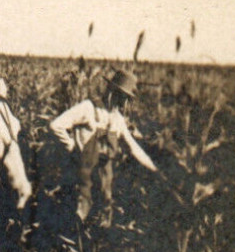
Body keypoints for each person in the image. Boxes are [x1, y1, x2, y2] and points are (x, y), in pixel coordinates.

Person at [46, 68, 158, 228]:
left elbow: (133, 147)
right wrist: (73, 148)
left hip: (104, 178)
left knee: (100, 220)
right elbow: (55, 125)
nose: (124, 103)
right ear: (113, 91)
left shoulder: (117, 119)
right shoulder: (88, 108)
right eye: (123, 97)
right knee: (75, 220)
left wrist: (154, 168)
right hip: (81, 176)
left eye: (127, 99)